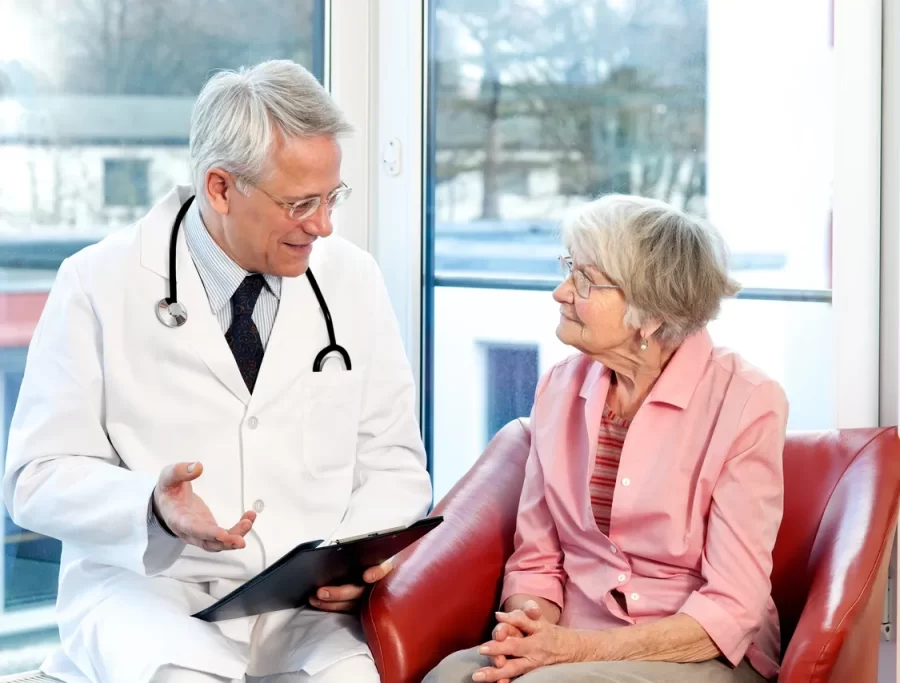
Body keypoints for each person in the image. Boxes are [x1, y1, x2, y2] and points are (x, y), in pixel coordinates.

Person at [2, 60, 432, 683]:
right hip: (148, 591)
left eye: (332, 197)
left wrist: (354, 560)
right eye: (301, 202)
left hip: (299, 605)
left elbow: (392, 460)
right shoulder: (98, 282)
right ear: (221, 187)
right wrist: (150, 504)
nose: (324, 224)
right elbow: (33, 479)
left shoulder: (351, 279)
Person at [425, 195, 789, 683]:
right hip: (574, 638)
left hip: (692, 651)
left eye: (584, 281)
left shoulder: (747, 401)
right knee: (451, 676)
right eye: (569, 269)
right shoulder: (559, 385)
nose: (560, 292)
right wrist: (529, 630)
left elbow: (733, 606)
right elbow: (537, 558)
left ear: (650, 312)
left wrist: (573, 651)